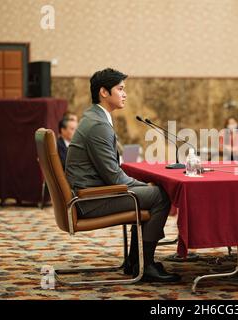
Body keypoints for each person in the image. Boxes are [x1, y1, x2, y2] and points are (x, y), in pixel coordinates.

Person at [66, 68, 180, 282]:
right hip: (90, 199)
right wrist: (144, 186)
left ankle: (135, 262)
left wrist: (142, 185)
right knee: (160, 196)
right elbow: (115, 178)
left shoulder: (95, 117)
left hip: (90, 193)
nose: (125, 94)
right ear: (104, 92)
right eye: (120, 89)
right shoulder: (98, 125)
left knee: (153, 192)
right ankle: (144, 265)